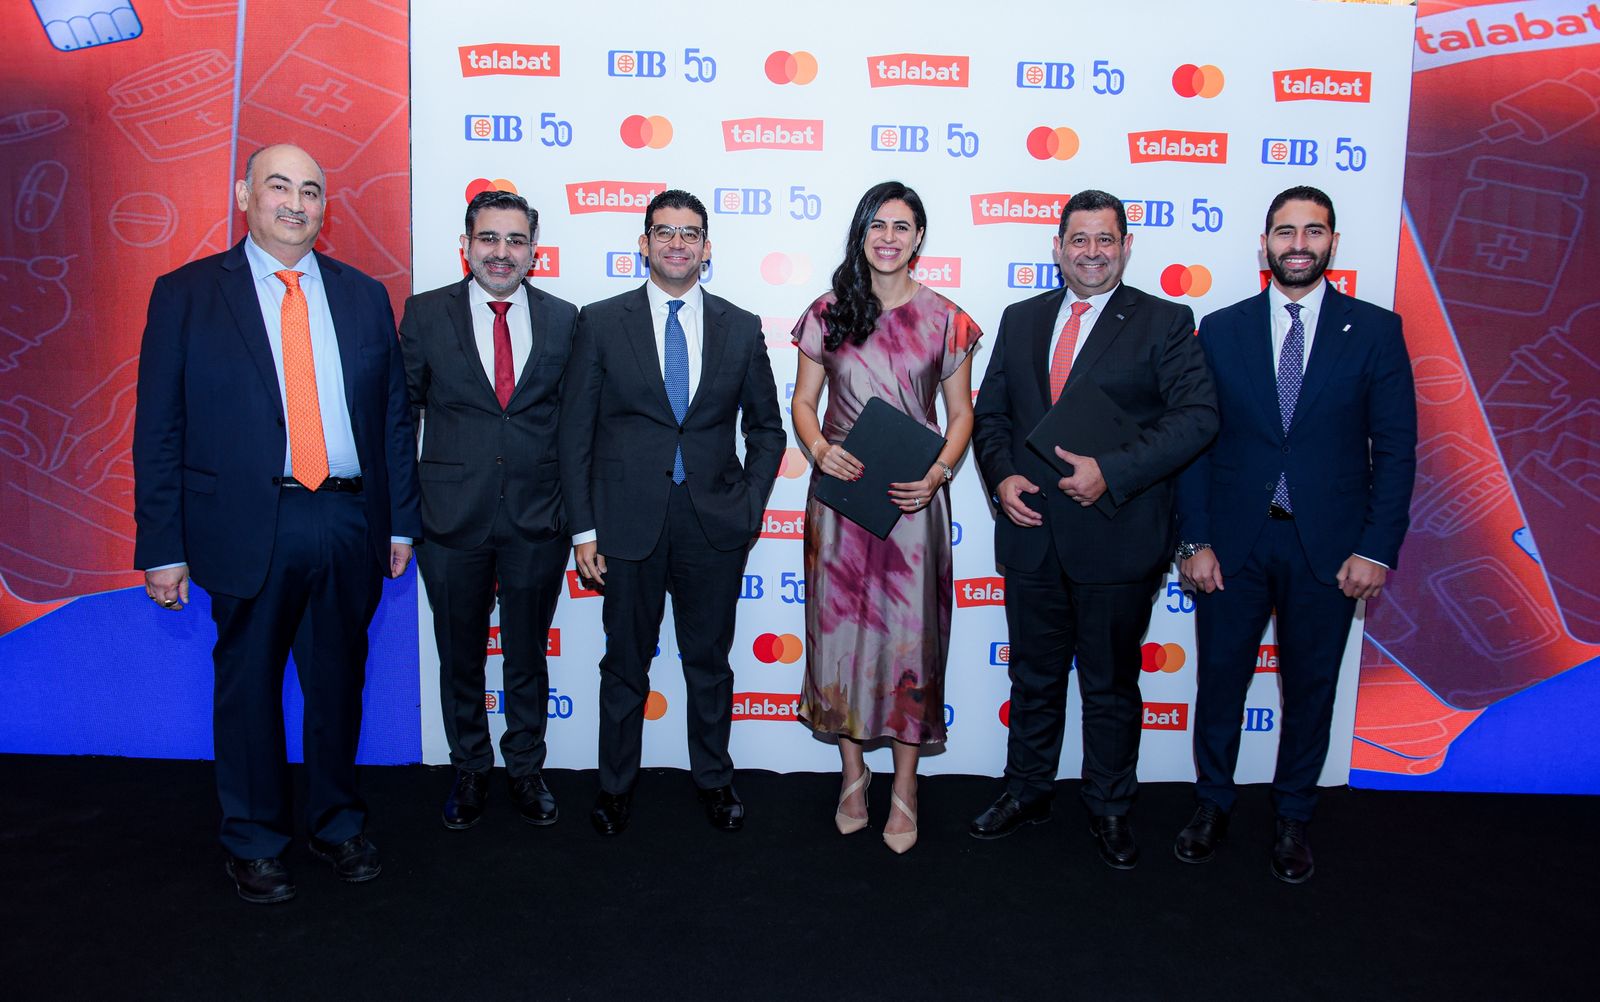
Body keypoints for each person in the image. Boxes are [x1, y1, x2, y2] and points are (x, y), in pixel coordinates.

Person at [133, 143, 420, 903]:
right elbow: (158, 429)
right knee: (249, 688)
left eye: (312, 191)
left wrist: (399, 524)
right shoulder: (187, 294)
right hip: (245, 524)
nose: (297, 204)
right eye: (279, 187)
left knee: (337, 685)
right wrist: (162, 546)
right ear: (244, 195)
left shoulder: (365, 295)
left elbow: (393, 419)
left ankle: (336, 823)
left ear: (325, 207)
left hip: (348, 519)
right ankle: (255, 840)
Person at [1173, 186, 1416, 883]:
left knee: (1311, 689)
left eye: (1313, 231)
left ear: (1333, 242)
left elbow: (1395, 450)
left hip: (1331, 551)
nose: (1298, 244)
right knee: (1221, 682)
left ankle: (1293, 816)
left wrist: (1375, 548)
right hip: (1235, 545)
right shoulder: (1221, 329)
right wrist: (1195, 541)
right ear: (1265, 244)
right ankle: (1213, 803)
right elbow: (1197, 443)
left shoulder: (1376, 330)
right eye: (1285, 231)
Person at [968, 189, 1217, 868]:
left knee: (1109, 686)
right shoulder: (1021, 319)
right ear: (1057, 248)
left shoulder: (1165, 321)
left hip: (1118, 535)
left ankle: (1109, 807)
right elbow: (992, 417)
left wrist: (1112, 471)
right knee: (1033, 678)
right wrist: (1001, 478)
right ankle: (1027, 791)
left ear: (1126, 247)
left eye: (1106, 239)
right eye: (1079, 239)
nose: (1092, 252)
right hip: (1031, 533)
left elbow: (1197, 417)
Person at [558, 189, 784, 836]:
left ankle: (714, 779)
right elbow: (575, 434)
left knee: (708, 663)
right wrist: (584, 529)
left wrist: (748, 505)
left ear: (707, 248)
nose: (676, 244)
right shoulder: (601, 321)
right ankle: (614, 787)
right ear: (644, 243)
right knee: (624, 664)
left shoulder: (741, 326)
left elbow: (767, 430)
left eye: (689, 234)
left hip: (713, 524)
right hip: (626, 525)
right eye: (664, 232)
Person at [789, 181, 980, 854]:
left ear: (919, 236)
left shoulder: (947, 320)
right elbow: (804, 402)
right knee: (838, 638)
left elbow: (961, 415)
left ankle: (905, 787)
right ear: (862, 233)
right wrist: (820, 450)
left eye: (902, 226)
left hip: (911, 504)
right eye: (878, 225)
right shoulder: (827, 312)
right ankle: (852, 776)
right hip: (841, 501)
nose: (889, 238)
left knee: (909, 644)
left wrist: (937, 474)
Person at [399, 190, 577, 831]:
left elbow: (575, 426)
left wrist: (578, 516)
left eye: (516, 240)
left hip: (538, 519)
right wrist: (401, 517)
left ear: (534, 251)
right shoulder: (425, 314)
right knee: (460, 654)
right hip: (449, 519)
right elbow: (402, 416)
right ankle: (470, 767)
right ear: (466, 245)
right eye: (489, 238)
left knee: (527, 654)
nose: (502, 252)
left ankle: (526, 769)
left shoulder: (564, 319)